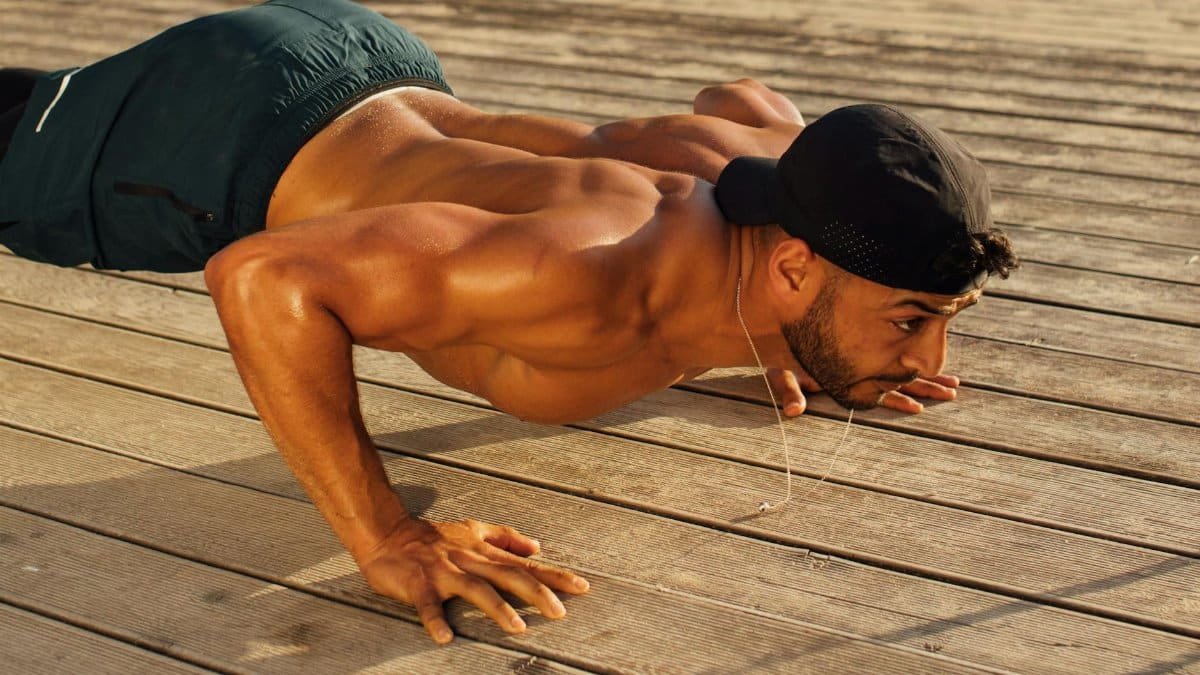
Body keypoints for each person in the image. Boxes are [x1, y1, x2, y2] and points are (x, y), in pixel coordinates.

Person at [0, 0, 1017, 644]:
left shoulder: (781, 176)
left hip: (373, 58)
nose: (929, 355)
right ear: (794, 264)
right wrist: (387, 537)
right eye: (912, 318)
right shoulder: (587, 272)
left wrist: (798, 334)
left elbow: (744, 93)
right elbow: (262, 280)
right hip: (227, 138)